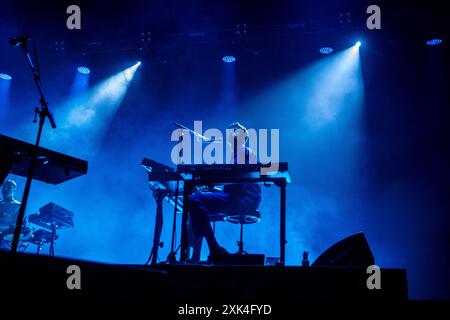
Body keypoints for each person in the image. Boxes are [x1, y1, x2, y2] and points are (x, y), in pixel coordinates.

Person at [187, 122, 262, 262]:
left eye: (231, 134)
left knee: (195, 201)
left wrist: (212, 179)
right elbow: (232, 185)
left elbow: (237, 184)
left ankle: (212, 247)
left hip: (243, 199)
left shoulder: (243, 152)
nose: (227, 137)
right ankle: (197, 254)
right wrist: (212, 188)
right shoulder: (237, 153)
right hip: (236, 196)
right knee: (195, 204)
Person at [0, 179, 22, 248]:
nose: (5, 189)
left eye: (9, 186)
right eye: (4, 186)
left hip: (4, 240)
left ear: (14, 189)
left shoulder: (18, 205)